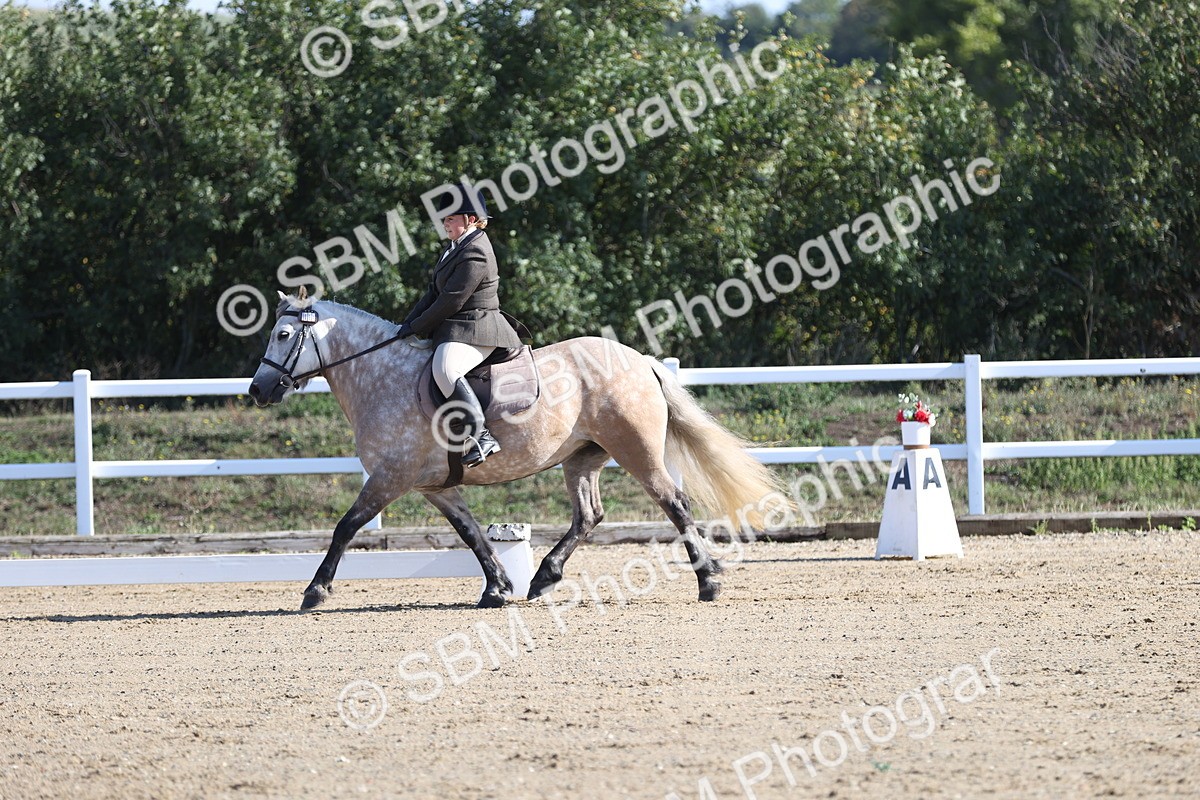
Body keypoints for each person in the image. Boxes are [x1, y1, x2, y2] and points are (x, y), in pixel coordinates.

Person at [396, 184, 524, 467]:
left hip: (479, 327)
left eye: (451, 218)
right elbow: (433, 293)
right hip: (460, 327)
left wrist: (418, 326)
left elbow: (451, 301)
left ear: (470, 219)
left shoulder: (476, 250)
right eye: (444, 219)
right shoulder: (454, 248)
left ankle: (482, 436)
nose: (445, 224)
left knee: (445, 368)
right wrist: (406, 324)